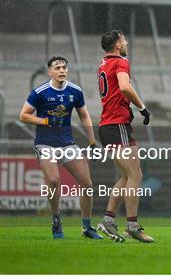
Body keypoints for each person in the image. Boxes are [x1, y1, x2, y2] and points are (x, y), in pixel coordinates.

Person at [19, 56, 102, 240]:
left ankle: (87, 227)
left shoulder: (75, 91)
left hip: (67, 144)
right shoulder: (40, 92)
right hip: (45, 144)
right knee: (54, 181)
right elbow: (24, 116)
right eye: (57, 68)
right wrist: (45, 120)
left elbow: (85, 117)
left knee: (87, 184)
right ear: (50, 72)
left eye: (64, 67)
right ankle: (56, 219)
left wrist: (92, 142)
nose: (62, 70)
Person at [95, 30, 153, 243]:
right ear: (118, 45)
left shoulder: (103, 64)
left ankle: (109, 221)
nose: (127, 42)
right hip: (116, 124)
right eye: (124, 39)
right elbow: (125, 86)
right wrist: (142, 108)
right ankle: (132, 226)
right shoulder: (120, 62)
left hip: (110, 125)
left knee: (127, 176)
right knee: (135, 177)